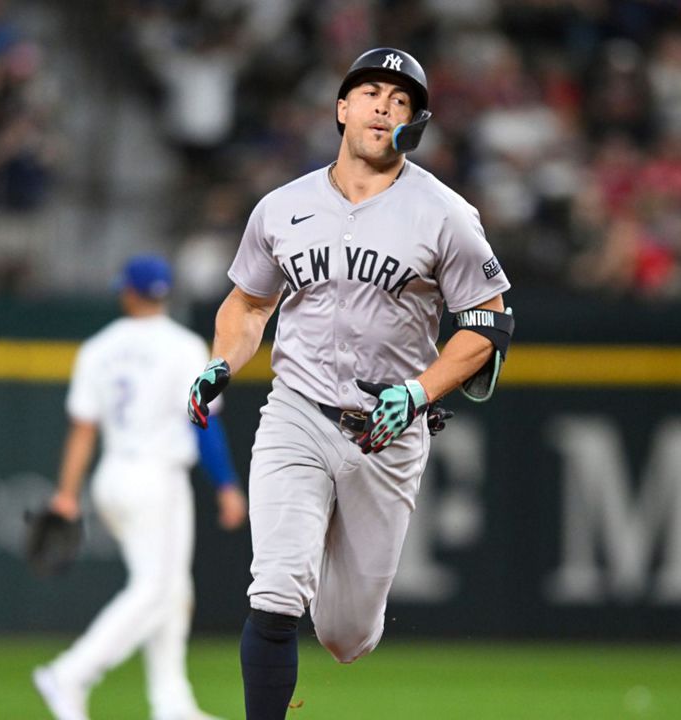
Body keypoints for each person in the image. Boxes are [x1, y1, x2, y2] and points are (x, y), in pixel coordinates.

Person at [187, 48, 513, 719]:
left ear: (414, 123)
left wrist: (420, 393)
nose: (384, 106)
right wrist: (223, 360)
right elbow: (248, 304)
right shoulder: (282, 207)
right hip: (297, 411)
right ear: (341, 108)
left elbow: (488, 324)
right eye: (370, 92)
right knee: (275, 589)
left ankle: (350, 617)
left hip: (387, 430)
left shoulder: (445, 213)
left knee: (344, 634)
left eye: (401, 100)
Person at [34, 255, 249, 720]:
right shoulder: (185, 347)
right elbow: (203, 419)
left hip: (113, 477)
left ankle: (172, 702)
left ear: (129, 292)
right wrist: (227, 483)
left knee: (172, 589)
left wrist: (67, 494)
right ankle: (70, 674)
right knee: (155, 589)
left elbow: (83, 429)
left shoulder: (97, 348)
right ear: (164, 293)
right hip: (158, 479)